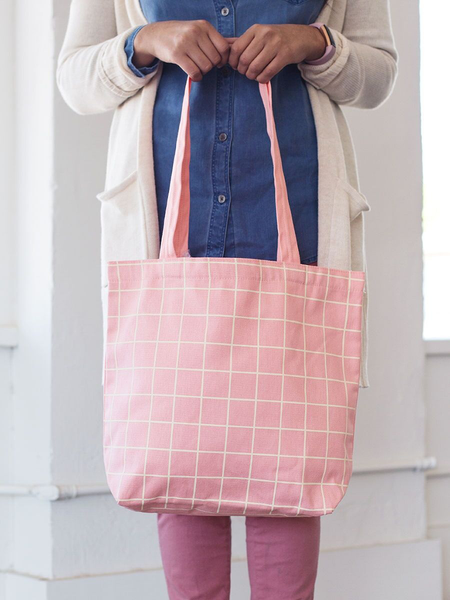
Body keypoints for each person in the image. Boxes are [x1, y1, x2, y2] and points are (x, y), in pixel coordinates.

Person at [56, 1, 398, 598]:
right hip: (164, 228)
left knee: (286, 470)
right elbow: (75, 80)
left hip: (297, 219)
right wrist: (143, 42)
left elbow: (377, 75)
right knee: (179, 458)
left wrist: (314, 43)